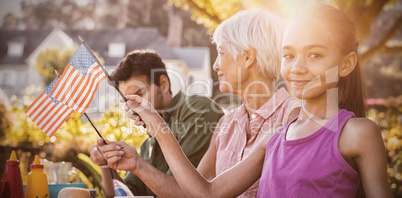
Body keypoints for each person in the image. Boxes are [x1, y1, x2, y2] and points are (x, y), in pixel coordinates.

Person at [100, 4, 393, 198]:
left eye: (314, 55)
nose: (297, 67)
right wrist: (150, 139)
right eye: (288, 55)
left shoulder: (351, 132)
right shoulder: (271, 136)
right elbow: (203, 192)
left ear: (346, 64)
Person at [97, 8, 300, 198]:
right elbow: (192, 192)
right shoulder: (225, 125)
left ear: (247, 57)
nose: (215, 65)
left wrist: (158, 127)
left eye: (221, 52)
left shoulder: (294, 118)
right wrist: (134, 164)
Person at [89, 49, 224, 197]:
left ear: (164, 84)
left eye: (139, 95)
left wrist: (138, 165)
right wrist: (107, 165)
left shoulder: (197, 110)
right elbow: (127, 194)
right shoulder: (148, 145)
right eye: (128, 101)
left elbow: (188, 192)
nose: (132, 107)